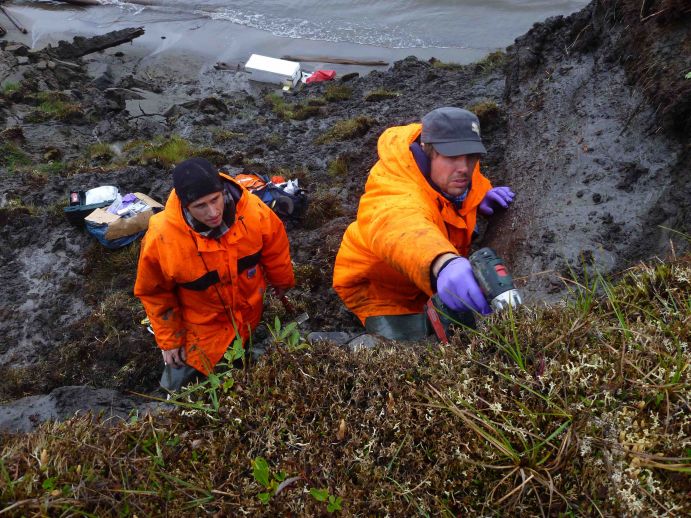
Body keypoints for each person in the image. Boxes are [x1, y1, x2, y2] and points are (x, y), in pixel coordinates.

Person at [332, 107, 515, 340]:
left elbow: (472, 179)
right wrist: (443, 262)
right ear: (428, 151)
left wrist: (481, 196)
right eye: (452, 157)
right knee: (412, 353)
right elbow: (401, 224)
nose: (464, 168)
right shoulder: (395, 185)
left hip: (432, 278)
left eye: (472, 157)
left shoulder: (455, 172)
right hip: (382, 290)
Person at [134, 157, 295, 391]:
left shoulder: (254, 212)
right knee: (175, 393)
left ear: (222, 191)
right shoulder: (162, 237)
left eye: (215, 199)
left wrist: (282, 281)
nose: (212, 212)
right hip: (201, 331)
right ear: (185, 205)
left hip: (249, 316)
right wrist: (170, 341)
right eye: (200, 206)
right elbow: (154, 292)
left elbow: (275, 248)